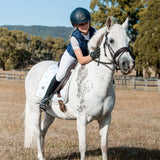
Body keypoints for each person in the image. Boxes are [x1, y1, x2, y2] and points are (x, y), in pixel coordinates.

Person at [39, 7, 100, 111]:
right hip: (72, 56)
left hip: (89, 55)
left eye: (86, 23)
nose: (85, 26)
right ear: (75, 25)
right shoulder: (74, 37)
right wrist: (92, 56)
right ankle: (45, 99)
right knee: (61, 74)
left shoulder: (95, 32)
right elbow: (81, 60)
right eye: (81, 24)